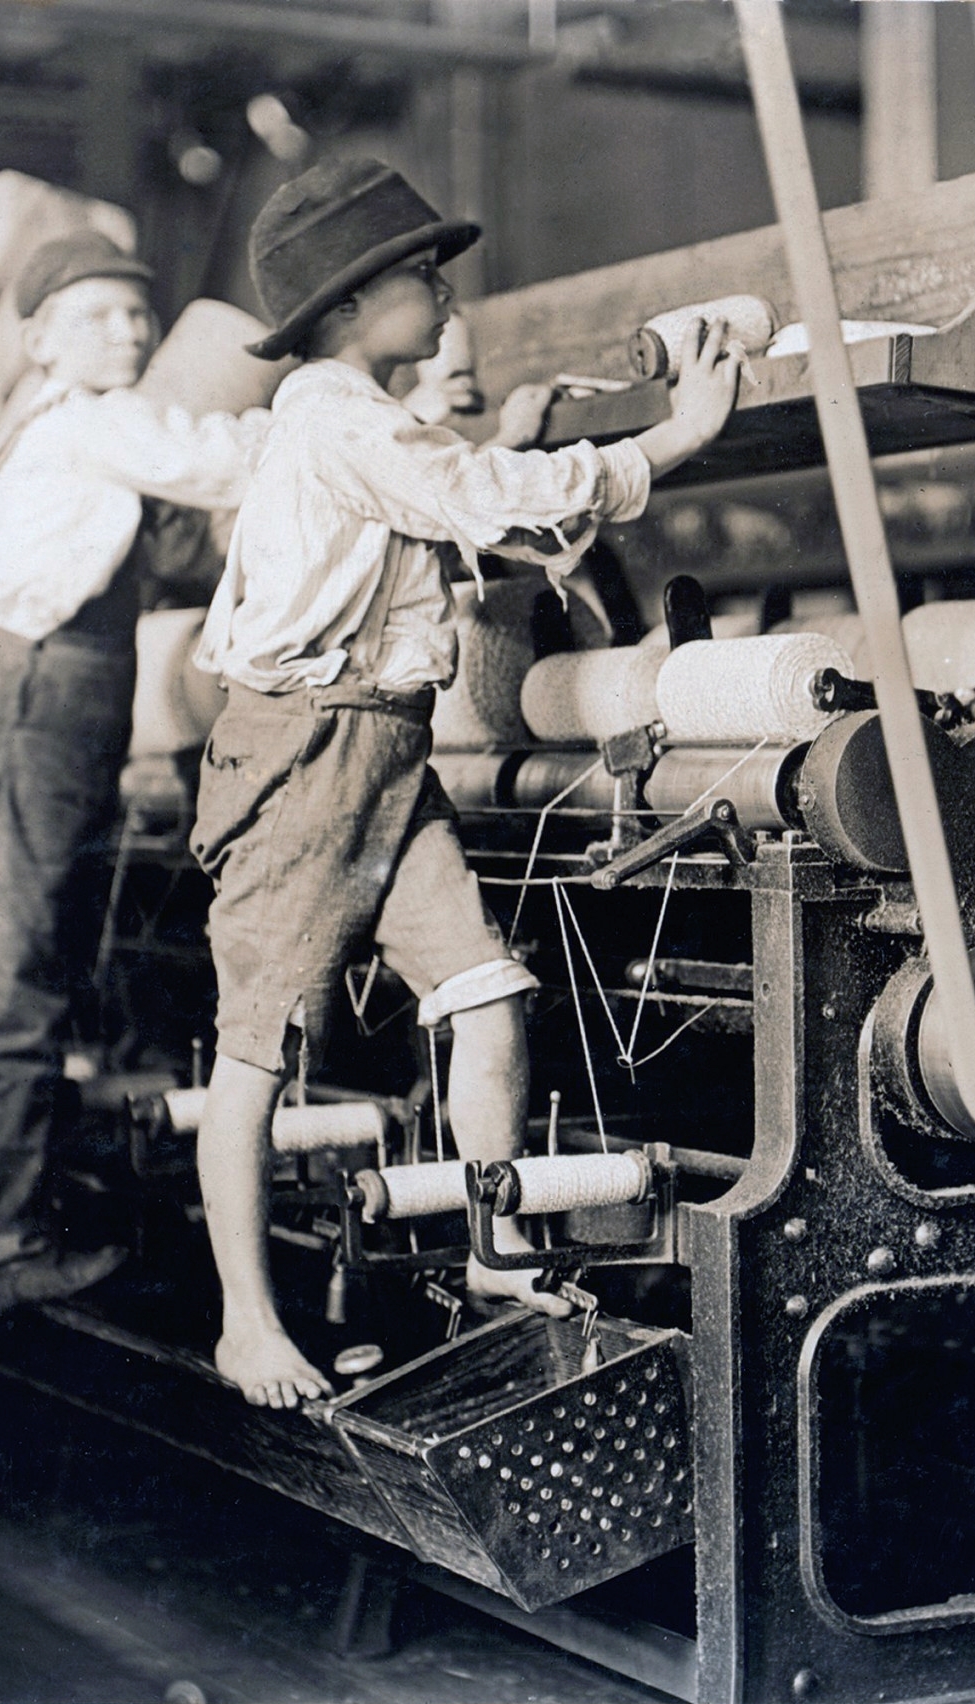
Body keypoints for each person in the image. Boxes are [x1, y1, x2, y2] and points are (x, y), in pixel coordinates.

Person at [188, 157, 741, 1407]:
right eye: (419, 276)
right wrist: (674, 438)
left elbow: (478, 494)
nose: (445, 295)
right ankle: (243, 1322)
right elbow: (485, 496)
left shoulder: (366, 419)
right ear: (343, 310)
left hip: (385, 748)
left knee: (487, 993)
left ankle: (495, 1251)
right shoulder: (337, 415)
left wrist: (542, 445)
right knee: (258, 1054)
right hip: (304, 755)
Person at [0, 230, 269, 1321]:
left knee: (8, 972)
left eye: (135, 312)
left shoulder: (59, 426)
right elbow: (227, 459)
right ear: (37, 340)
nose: (127, 329)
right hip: (41, 703)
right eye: (97, 315)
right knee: (18, 976)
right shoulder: (98, 422)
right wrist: (340, 413)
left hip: (28, 696)